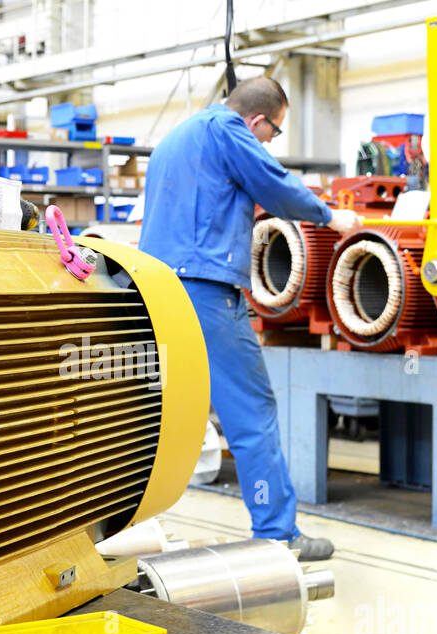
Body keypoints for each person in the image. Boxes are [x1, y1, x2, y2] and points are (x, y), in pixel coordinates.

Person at [139, 76, 360, 561]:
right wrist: (329, 216)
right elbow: (275, 187)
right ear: (257, 120)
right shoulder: (227, 129)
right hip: (205, 292)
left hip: (154, 290)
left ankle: (122, 528)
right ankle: (278, 532)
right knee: (251, 413)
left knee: (159, 415)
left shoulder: (177, 137)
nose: (268, 142)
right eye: (273, 134)